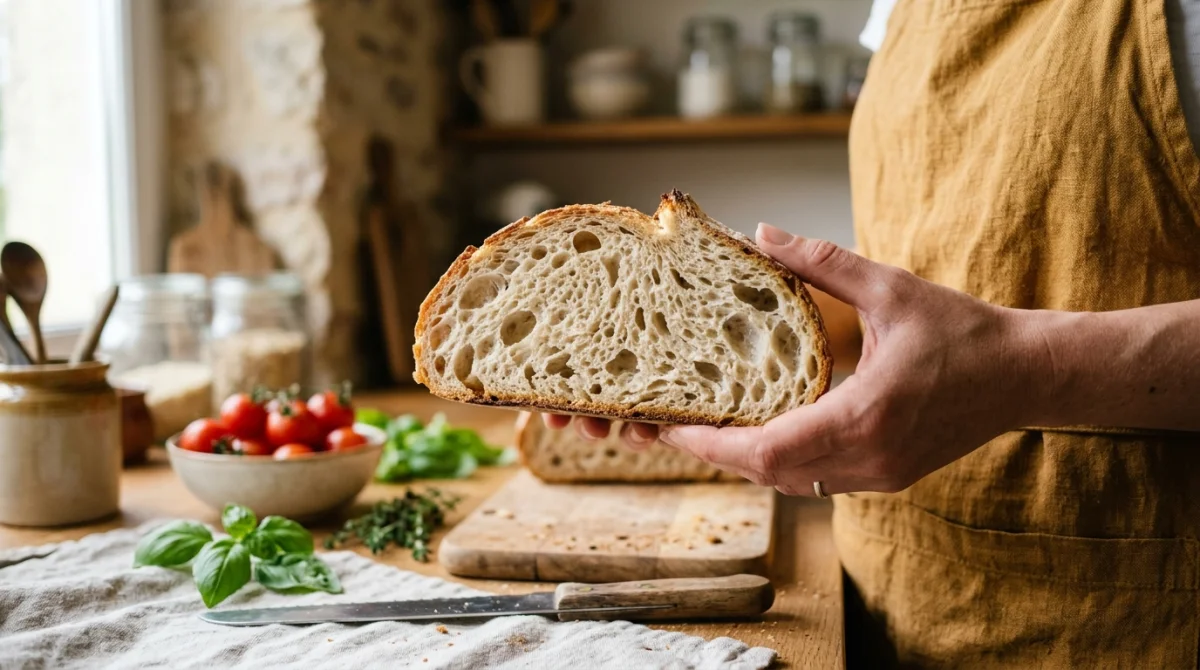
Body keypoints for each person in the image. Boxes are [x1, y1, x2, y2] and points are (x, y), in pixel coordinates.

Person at [544, 0, 1200, 666]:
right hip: (875, 596)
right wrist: (711, 329)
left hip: (1121, 609)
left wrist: (1015, 368)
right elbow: (964, 248)